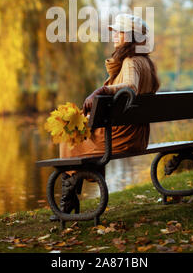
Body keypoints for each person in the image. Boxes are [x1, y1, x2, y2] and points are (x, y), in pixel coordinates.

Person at [55, 13, 160, 216]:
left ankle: (68, 202)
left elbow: (130, 86)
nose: (113, 35)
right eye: (114, 31)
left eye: (119, 32)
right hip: (139, 137)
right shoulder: (146, 63)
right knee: (77, 133)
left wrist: (101, 91)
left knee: (69, 136)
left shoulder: (131, 61)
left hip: (123, 137)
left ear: (130, 36)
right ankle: (74, 191)